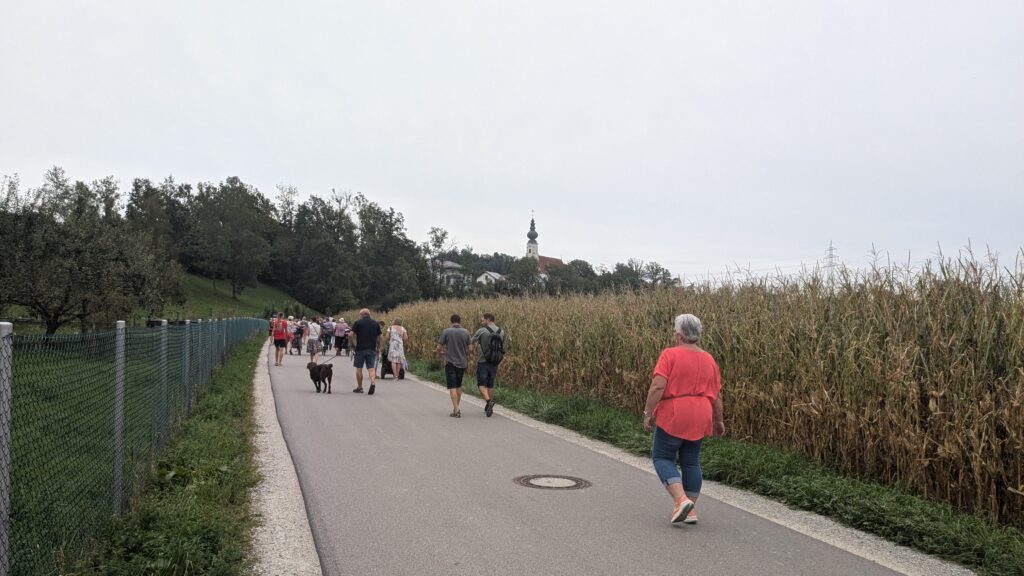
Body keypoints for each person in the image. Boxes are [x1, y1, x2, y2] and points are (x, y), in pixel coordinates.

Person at [642, 313, 724, 525]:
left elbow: (658, 386)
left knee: (662, 457)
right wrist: (718, 420)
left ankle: (681, 500)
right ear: (699, 334)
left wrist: (648, 412)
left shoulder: (670, 355)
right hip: (701, 413)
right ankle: (690, 510)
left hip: (675, 413)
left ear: (678, 335)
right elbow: (716, 394)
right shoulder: (709, 359)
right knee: (690, 461)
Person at [471, 313, 505, 417]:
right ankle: (488, 406)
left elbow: (471, 341)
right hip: (495, 361)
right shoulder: (501, 331)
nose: (482, 322)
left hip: (483, 361)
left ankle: (489, 401)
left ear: (488, 320)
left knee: (481, 385)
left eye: (483, 320)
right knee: (490, 384)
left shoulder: (482, 330)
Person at [438, 314, 471, 417]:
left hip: (450, 362)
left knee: (452, 386)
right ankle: (456, 407)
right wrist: (464, 354)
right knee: (458, 385)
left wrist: (442, 352)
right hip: (462, 362)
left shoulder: (446, 331)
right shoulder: (466, 332)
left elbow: (439, 347)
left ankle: (456, 409)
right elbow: (470, 349)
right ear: (459, 321)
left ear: (451, 321)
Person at [349, 309, 382, 394]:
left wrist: (351, 344)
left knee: (359, 368)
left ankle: (360, 387)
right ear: (369, 314)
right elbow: (379, 337)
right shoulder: (375, 323)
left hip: (360, 349)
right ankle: (373, 382)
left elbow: (350, 335)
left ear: (361, 315)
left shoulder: (358, 323)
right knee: (371, 368)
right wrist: (378, 347)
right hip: (371, 349)